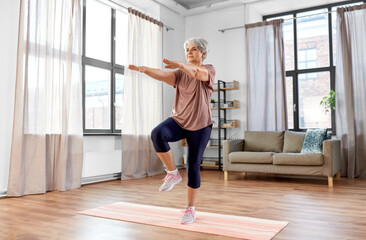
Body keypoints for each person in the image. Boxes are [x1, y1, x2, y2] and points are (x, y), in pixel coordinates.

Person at [128, 37, 215, 224]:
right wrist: (145, 70)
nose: (189, 52)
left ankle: (190, 209)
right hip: (179, 120)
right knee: (157, 134)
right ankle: (173, 172)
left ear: (203, 53)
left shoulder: (208, 70)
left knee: (193, 166)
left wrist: (182, 65)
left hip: (200, 125)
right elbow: (161, 74)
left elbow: (196, 73)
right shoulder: (179, 74)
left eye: (193, 49)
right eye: (187, 50)